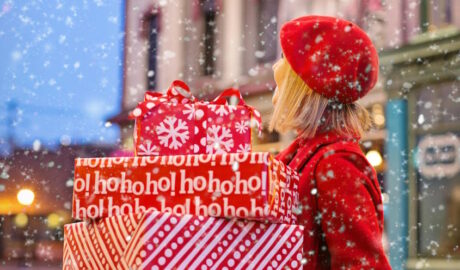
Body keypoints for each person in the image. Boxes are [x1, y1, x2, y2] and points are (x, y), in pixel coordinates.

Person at [271, 15, 392, 269]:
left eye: (285, 63)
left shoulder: (335, 165)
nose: (276, 72)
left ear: (304, 89)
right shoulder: (302, 157)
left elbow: (362, 264)